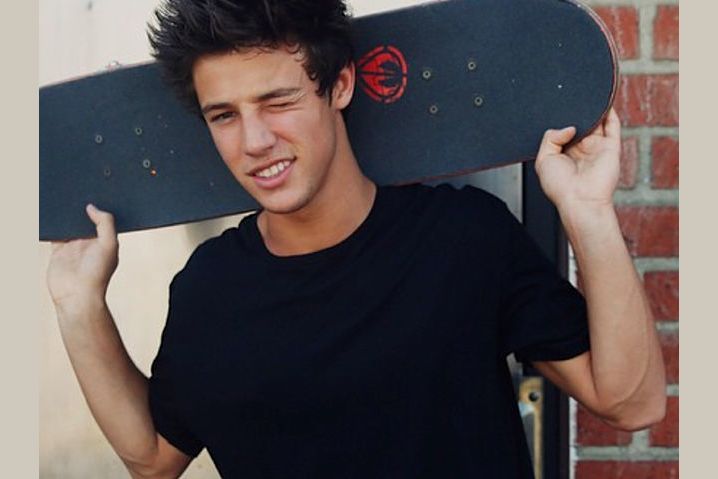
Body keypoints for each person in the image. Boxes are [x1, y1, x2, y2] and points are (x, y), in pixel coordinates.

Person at [46, 1, 666, 477]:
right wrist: (79, 306)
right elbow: (155, 458)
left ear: (339, 86)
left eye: (278, 101)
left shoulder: (462, 239)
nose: (254, 141)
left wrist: (588, 213)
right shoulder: (210, 288)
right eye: (224, 115)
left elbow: (630, 403)